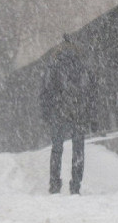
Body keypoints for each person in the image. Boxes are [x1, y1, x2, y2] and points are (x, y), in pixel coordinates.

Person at [39, 34, 98, 195]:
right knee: (78, 150)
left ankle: (54, 184)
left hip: (58, 113)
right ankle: (75, 186)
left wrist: (46, 113)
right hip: (79, 113)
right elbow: (91, 94)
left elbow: (45, 92)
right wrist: (93, 116)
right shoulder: (84, 67)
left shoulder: (52, 67)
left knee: (56, 149)